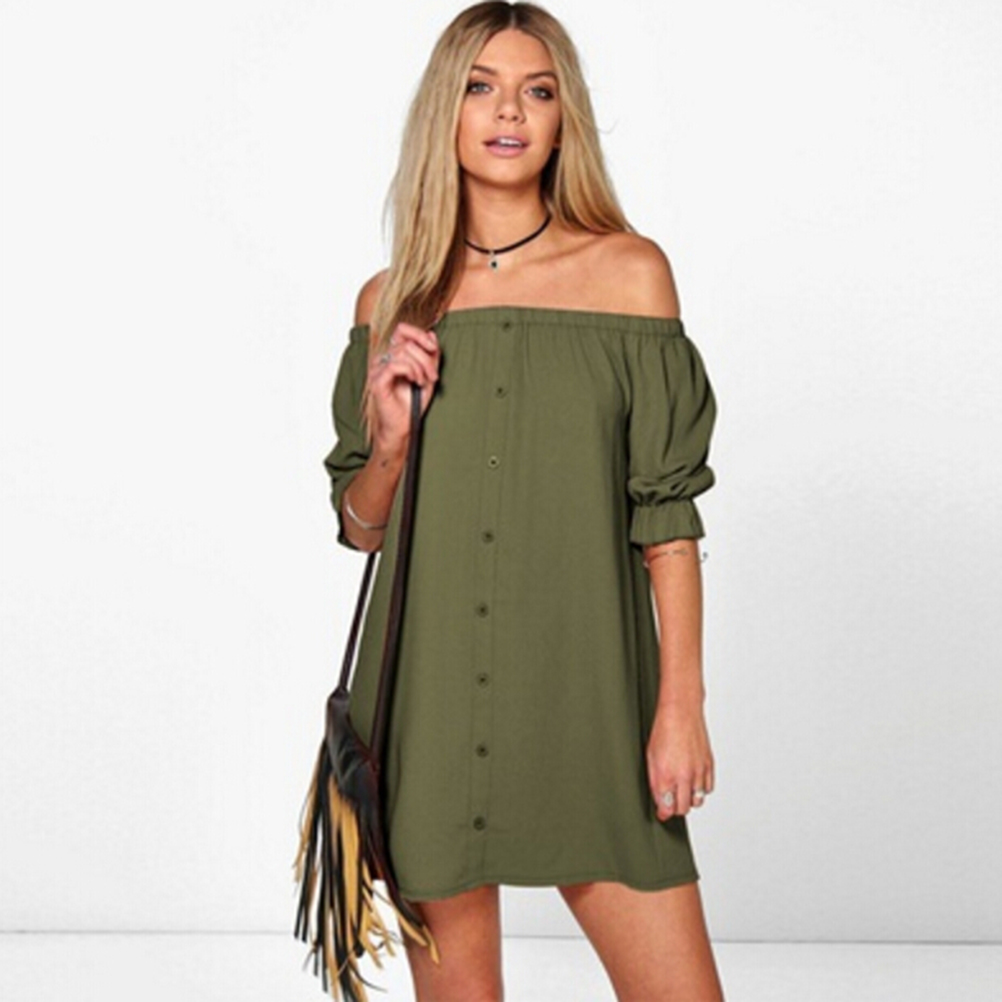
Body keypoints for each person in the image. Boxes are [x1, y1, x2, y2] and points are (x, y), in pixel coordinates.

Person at [322, 3, 725, 999]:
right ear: (445, 113)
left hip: (590, 698)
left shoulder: (630, 276)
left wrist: (680, 706)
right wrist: (391, 440)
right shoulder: (390, 302)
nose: (509, 112)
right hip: (428, 706)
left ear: (562, 118)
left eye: (537, 91)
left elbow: (666, 518)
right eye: (481, 87)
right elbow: (361, 527)